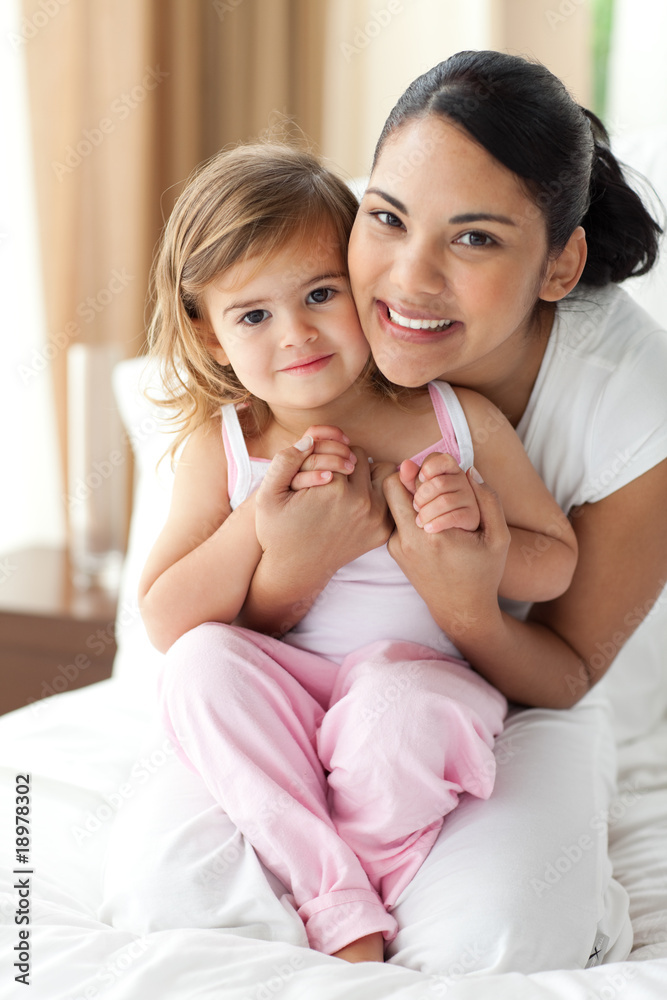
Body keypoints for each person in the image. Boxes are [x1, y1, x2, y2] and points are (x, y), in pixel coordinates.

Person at [246, 50, 667, 974]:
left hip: (517, 704)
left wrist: (468, 602)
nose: (407, 278)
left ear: (561, 263)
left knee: (495, 941)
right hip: (292, 681)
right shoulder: (309, 293)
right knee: (175, 898)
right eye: (386, 218)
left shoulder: (637, 401)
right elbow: (202, 613)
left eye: (474, 239)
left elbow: (562, 674)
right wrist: (292, 568)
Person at [137, 140, 578, 963]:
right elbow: (166, 616)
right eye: (254, 315)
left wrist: (475, 529)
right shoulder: (228, 444)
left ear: (362, 284)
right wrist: (254, 526)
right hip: (291, 691)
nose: (296, 333)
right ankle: (331, 895)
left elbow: (554, 560)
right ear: (206, 331)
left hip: (419, 675)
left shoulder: (452, 417)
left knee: (397, 710)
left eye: (318, 294)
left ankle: (356, 897)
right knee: (199, 664)